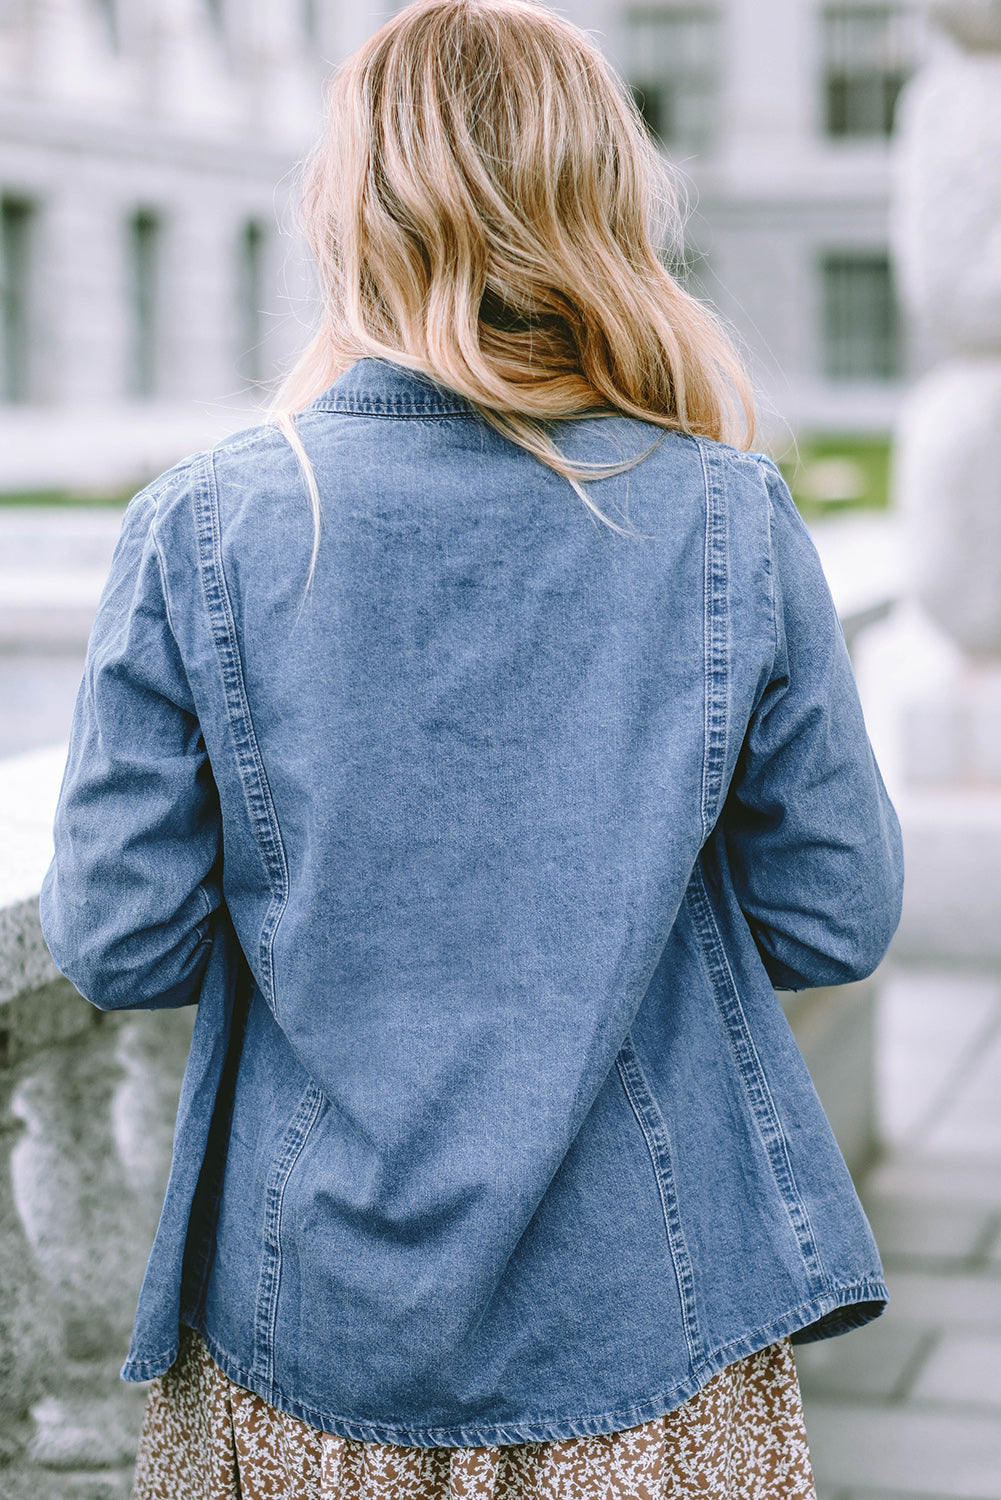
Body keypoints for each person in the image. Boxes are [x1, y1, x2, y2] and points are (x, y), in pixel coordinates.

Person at [39, 1, 904, 1495]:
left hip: (313, 1317)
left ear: (350, 211)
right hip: (652, 1316)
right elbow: (835, 916)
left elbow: (119, 941)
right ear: (602, 204)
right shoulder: (723, 517)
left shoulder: (208, 525)